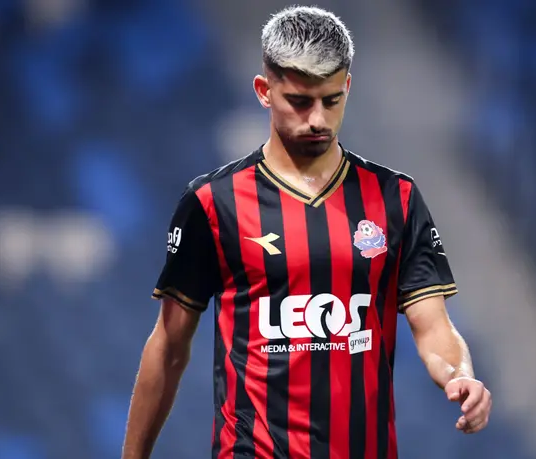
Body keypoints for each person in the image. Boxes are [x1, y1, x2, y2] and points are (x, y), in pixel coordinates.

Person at [122, 5, 492, 459]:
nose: (318, 118)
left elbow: (433, 326)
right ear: (264, 91)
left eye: (331, 101)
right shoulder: (212, 202)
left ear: (347, 87)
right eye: (300, 101)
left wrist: (460, 375)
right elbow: (169, 345)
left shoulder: (395, 198)